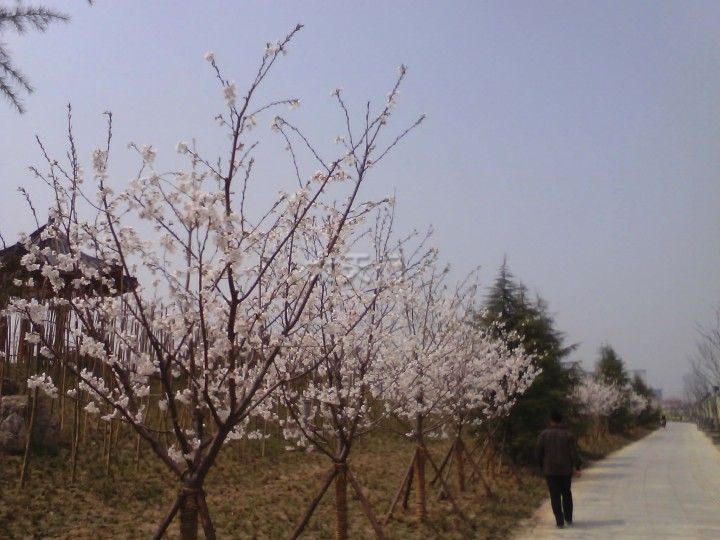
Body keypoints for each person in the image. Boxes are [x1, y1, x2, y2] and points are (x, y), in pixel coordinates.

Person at [535, 411, 582, 529]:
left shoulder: (544, 434)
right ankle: (568, 517)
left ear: (551, 420)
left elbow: (539, 452)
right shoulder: (568, 434)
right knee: (566, 493)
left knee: (554, 495)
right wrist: (577, 467)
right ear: (561, 420)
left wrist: (540, 465)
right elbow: (574, 452)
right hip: (565, 470)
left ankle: (559, 521)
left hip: (550, 470)